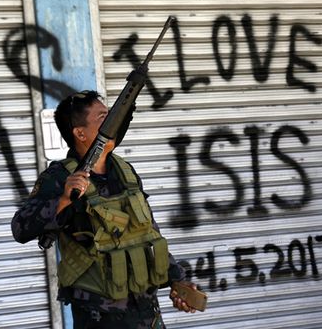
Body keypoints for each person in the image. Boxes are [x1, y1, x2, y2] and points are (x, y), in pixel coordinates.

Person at [12, 90, 198, 328]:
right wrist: (63, 200)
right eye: (103, 117)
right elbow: (20, 228)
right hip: (100, 318)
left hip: (146, 313)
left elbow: (148, 232)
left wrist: (178, 282)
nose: (114, 121)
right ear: (80, 133)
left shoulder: (124, 171)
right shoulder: (59, 178)